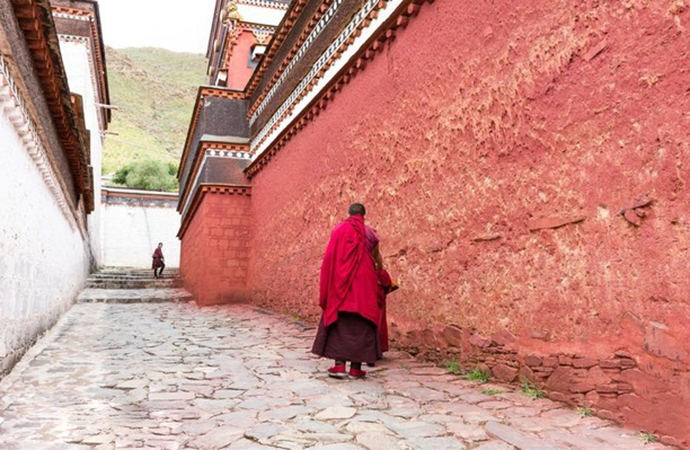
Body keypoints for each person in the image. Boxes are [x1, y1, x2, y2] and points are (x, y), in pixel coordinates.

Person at [312, 203, 381, 380]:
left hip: (341, 286)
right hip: (364, 287)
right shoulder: (370, 233)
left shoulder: (339, 230)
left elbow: (330, 257)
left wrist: (329, 283)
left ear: (349, 214)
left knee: (340, 324)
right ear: (364, 215)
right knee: (362, 323)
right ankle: (356, 369)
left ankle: (339, 366)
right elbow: (377, 259)